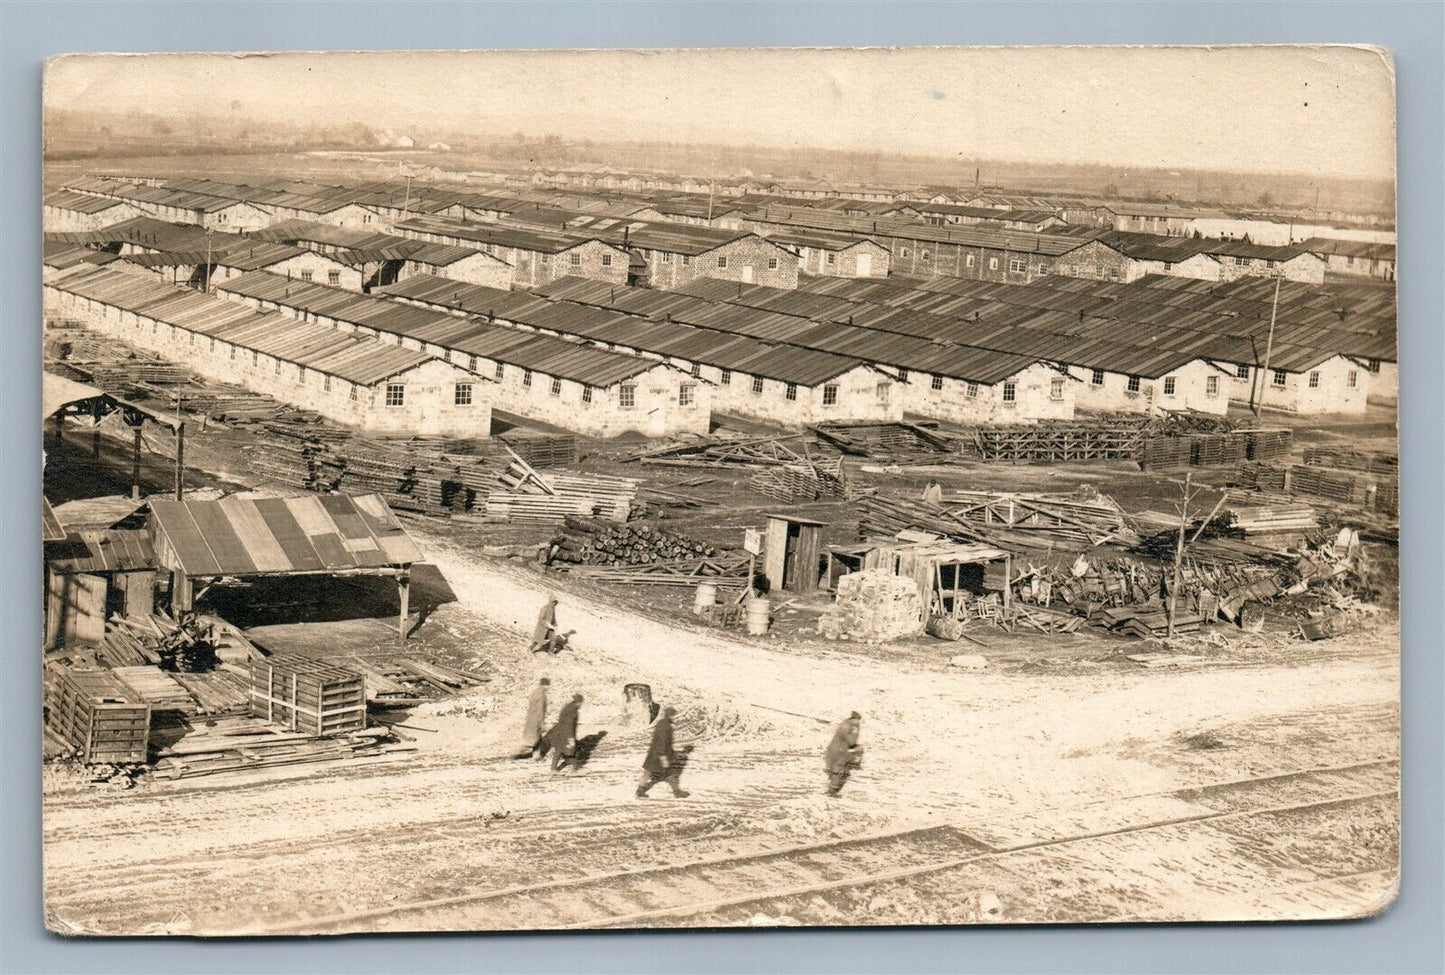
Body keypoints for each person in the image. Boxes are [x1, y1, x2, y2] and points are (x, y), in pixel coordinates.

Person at [636, 706, 690, 799]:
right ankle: (677, 792)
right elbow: (662, 741)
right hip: (661, 755)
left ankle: (640, 790)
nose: (675, 717)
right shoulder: (667, 726)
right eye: (673, 715)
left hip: (653, 754)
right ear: (670, 715)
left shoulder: (661, 723)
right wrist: (663, 757)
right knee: (669, 773)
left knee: (648, 773)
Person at [824, 711, 864, 797]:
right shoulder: (849, 727)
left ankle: (833, 789)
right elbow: (851, 742)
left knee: (839, 770)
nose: (858, 723)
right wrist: (855, 733)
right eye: (857, 721)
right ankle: (832, 791)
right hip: (840, 751)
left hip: (836, 749)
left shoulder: (845, 724)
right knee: (838, 771)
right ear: (853, 719)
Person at [514, 677, 550, 761]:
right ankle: (514, 753)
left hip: (531, 718)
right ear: (546, 685)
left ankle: (536, 757)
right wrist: (542, 724)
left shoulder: (534, 692)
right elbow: (540, 710)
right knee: (531, 741)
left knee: (538, 739)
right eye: (548, 686)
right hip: (537, 720)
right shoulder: (542, 694)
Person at [546, 693, 583, 772]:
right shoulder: (573, 712)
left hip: (559, 732)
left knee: (559, 750)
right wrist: (570, 738)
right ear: (579, 702)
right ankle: (574, 767)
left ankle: (553, 768)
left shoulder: (567, 707)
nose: (581, 705)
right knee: (572, 749)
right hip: (566, 733)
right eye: (581, 703)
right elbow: (569, 725)